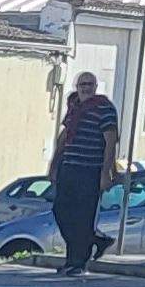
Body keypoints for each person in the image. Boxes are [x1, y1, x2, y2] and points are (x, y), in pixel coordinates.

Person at [50, 72, 119, 275]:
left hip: (90, 170)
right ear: (77, 86)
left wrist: (106, 172)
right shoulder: (74, 107)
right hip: (69, 168)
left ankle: (76, 263)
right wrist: (53, 165)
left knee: (83, 217)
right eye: (82, 84)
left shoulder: (104, 108)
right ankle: (96, 240)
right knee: (61, 211)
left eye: (89, 84)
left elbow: (110, 140)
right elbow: (64, 137)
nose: (85, 88)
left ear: (96, 86)